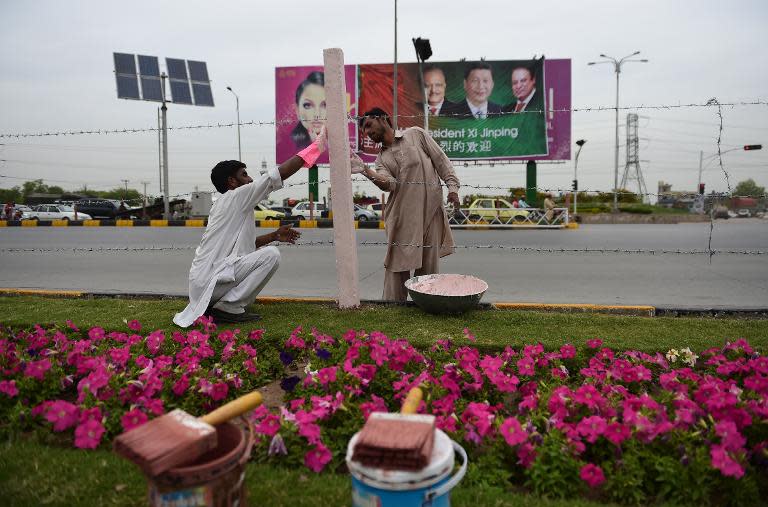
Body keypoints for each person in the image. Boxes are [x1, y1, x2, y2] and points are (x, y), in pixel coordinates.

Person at [172, 129, 327, 327]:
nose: (250, 179)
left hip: (202, 285)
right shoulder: (237, 196)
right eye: (244, 175)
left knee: (266, 251)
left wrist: (274, 235)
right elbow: (276, 175)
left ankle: (224, 305)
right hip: (210, 282)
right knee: (272, 255)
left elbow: (244, 249)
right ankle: (228, 307)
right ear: (232, 182)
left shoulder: (224, 205)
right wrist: (316, 147)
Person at [351, 108, 461, 302]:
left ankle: (427, 306)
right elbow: (389, 184)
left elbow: (441, 161)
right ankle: (393, 307)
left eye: (368, 125)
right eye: (363, 131)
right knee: (397, 267)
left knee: (428, 270)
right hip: (402, 219)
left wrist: (452, 188)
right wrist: (366, 170)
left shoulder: (416, 135)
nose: (367, 133)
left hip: (431, 213)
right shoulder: (381, 160)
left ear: (383, 118)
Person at [290, 71, 326, 150]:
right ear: (297, 110)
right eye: (308, 105)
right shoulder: (288, 146)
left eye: (324, 105)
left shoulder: (346, 145)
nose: (317, 114)